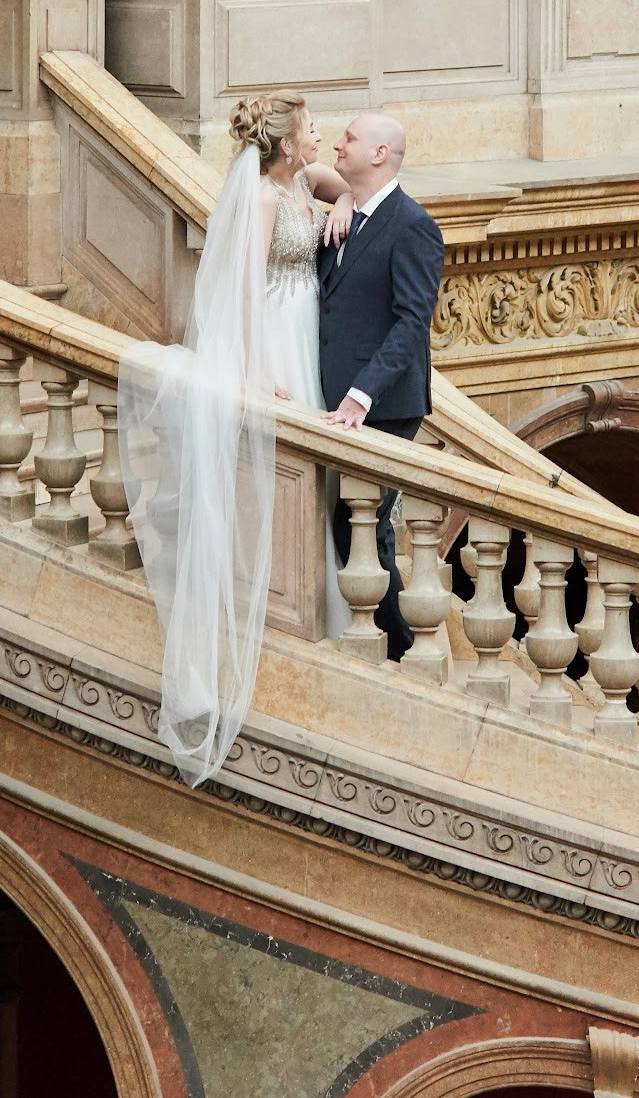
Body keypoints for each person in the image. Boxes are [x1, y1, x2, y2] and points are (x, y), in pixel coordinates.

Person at [118, 93, 356, 785]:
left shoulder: (305, 183)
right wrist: (256, 375)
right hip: (275, 334)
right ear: (287, 144)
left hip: (306, 326)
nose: (321, 139)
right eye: (312, 131)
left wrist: (338, 205)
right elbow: (245, 291)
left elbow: (343, 188)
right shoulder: (256, 198)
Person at [317, 114, 447, 660]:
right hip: (333, 395)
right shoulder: (351, 212)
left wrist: (362, 393)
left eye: (349, 138)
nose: (337, 143)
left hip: (383, 403)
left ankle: (401, 651)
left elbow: (412, 321)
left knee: (363, 528)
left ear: (378, 155)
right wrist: (345, 198)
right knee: (359, 530)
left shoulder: (413, 225)